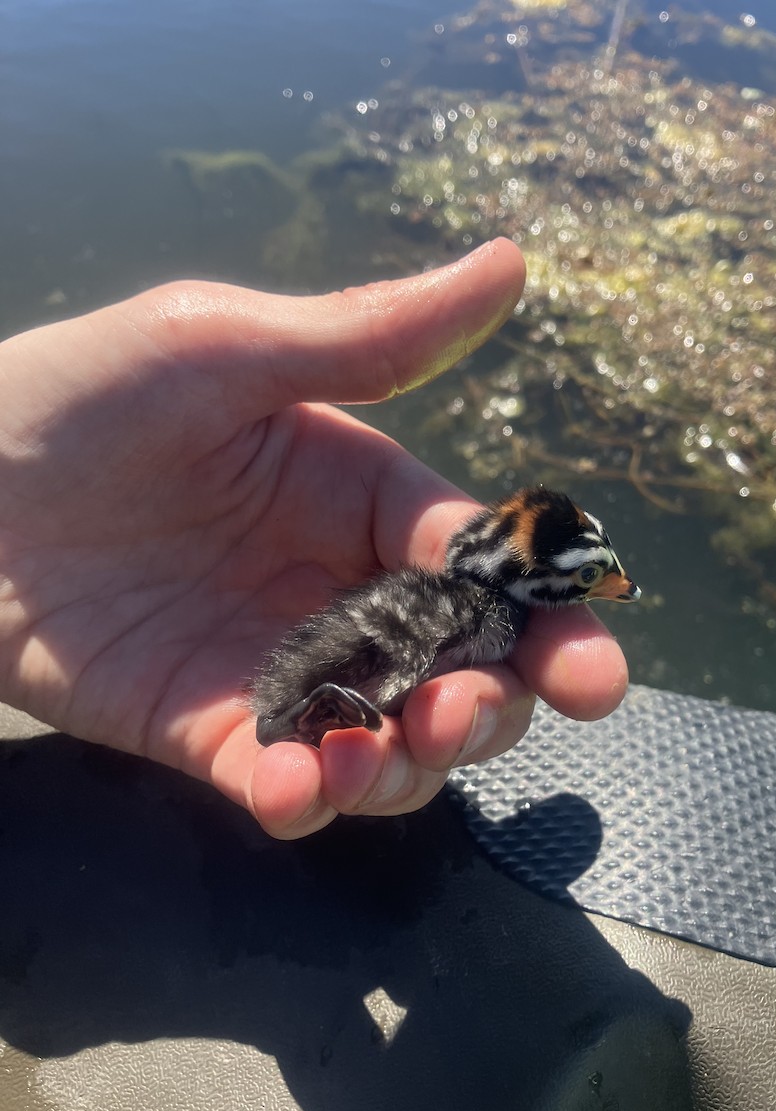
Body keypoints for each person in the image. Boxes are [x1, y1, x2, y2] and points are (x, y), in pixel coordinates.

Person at [0, 238, 628, 838]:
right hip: (330, 683)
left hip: (327, 675)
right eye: (585, 578)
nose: (614, 586)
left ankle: (303, 714)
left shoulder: (458, 600)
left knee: (399, 732)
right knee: (390, 720)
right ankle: (302, 714)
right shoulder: (479, 617)